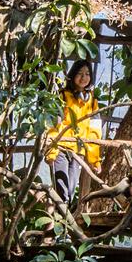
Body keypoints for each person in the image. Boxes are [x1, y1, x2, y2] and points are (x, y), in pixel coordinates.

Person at [44, 59, 103, 210]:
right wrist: (51, 152)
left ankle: (64, 224)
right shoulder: (62, 96)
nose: (84, 77)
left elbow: (94, 132)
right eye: (80, 73)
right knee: (62, 189)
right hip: (61, 149)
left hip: (78, 151)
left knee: (70, 189)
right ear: (72, 75)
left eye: (87, 74)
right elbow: (54, 125)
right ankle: (60, 224)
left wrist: (95, 160)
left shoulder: (92, 102)